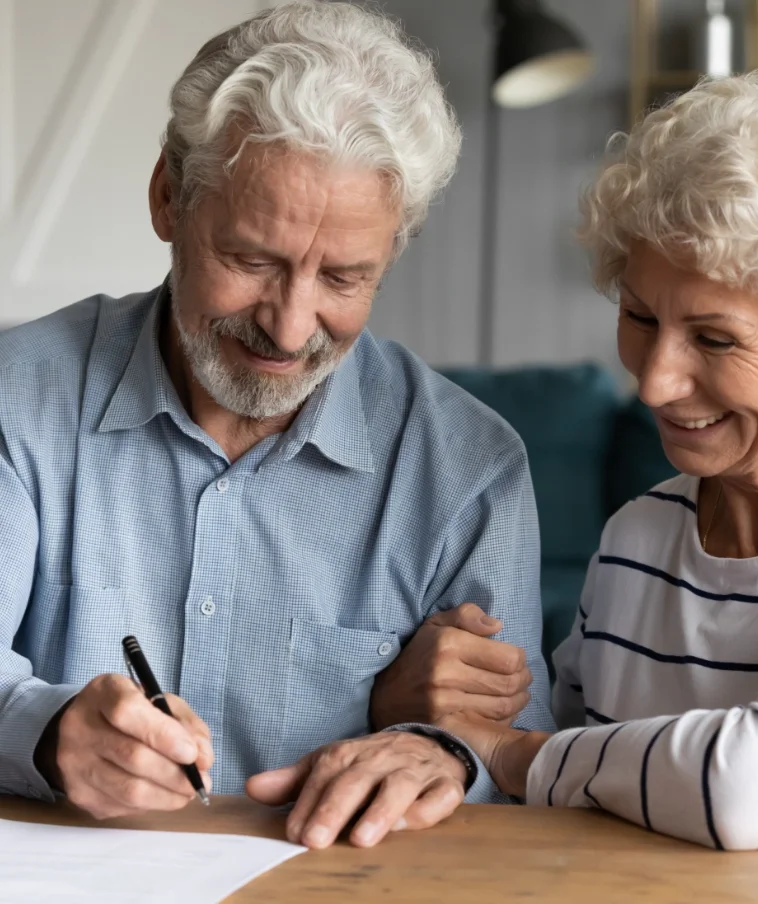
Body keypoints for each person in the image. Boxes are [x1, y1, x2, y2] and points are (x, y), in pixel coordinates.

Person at [0, 0, 552, 849]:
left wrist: (441, 751)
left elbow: (518, 757)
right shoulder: (15, 400)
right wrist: (42, 729)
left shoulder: (470, 470)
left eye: (343, 278)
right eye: (251, 261)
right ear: (167, 200)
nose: (291, 329)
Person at [426, 71, 758, 851]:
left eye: (714, 338)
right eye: (640, 317)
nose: (654, 381)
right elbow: (567, 773)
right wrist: (443, 692)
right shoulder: (637, 538)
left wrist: (515, 753)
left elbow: (746, 790)